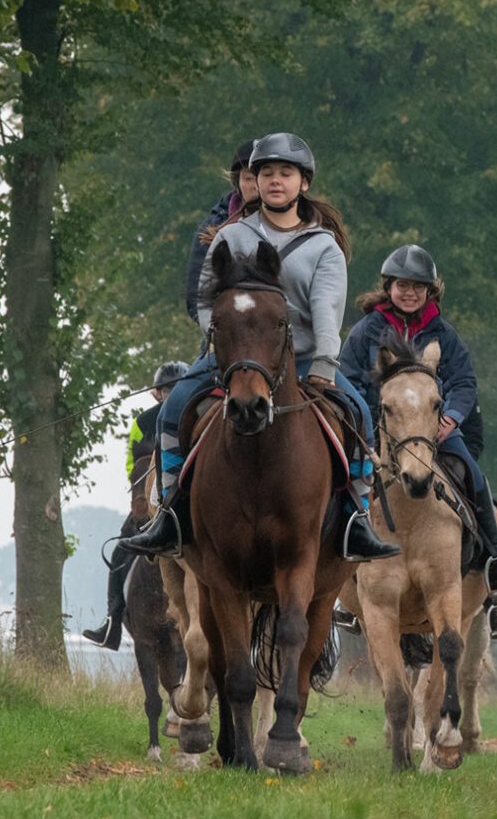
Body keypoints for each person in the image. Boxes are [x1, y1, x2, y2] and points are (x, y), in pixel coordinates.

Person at [122, 133, 400, 562]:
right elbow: (203, 299)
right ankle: (170, 513)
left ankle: (356, 519)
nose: (274, 181)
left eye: (285, 173)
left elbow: (327, 310)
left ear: (302, 183)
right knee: (174, 408)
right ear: (252, 179)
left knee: (360, 413)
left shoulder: (323, 245)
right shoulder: (230, 237)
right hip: (233, 357)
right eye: (265, 173)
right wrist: (225, 343)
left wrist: (326, 364)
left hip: (304, 358)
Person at [337, 244, 497, 637]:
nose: (410, 293)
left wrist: (450, 418)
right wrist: (374, 416)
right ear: (388, 287)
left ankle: (494, 562)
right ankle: (339, 582)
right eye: (402, 285)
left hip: (432, 431)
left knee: (471, 474)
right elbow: (347, 378)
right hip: (379, 431)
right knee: (337, 479)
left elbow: (464, 382)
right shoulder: (366, 331)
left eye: (418, 287)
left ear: (431, 292)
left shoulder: (444, 333)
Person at [83, 360, 189, 650]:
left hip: (187, 502)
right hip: (147, 502)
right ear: (157, 393)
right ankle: (112, 622)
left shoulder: (196, 414)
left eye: (177, 388)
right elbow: (133, 464)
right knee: (119, 555)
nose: (171, 393)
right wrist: (142, 499)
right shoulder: (142, 423)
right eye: (166, 389)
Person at [182, 139, 261, 323]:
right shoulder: (213, 227)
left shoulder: (301, 227)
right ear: (237, 182)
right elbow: (196, 298)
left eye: (262, 176)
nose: (256, 185)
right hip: (226, 330)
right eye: (249, 178)